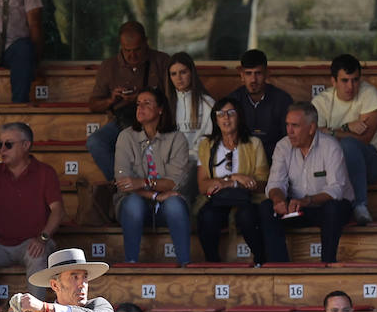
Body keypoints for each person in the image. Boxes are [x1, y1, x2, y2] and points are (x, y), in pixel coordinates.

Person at [0, 122, 64, 306]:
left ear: (26, 145)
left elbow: (57, 211)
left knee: (37, 256)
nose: (2, 149)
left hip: (33, 241)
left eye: (8, 144)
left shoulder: (45, 172)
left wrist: (42, 238)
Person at [259, 102, 354, 263]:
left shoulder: (330, 146)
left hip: (325, 207)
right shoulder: (283, 146)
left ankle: (327, 264)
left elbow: (336, 190)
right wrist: (279, 200)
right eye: (287, 125)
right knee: (266, 207)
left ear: (311, 128)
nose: (289, 131)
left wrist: (307, 200)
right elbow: (275, 183)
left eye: (295, 126)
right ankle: (280, 266)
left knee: (333, 209)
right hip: (296, 208)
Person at [113, 88, 192, 266]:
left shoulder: (177, 139)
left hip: (166, 205)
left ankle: (186, 266)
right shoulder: (126, 137)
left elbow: (173, 183)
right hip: (133, 204)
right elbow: (123, 184)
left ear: (160, 109)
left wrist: (143, 183)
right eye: (138, 104)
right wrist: (156, 194)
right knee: (133, 203)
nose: (140, 108)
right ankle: (131, 263)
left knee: (175, 204)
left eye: (147, 103)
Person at [85, 22, 173, 181]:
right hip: (122, 122)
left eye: (137, 49)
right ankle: (122, 186)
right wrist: (111, 100)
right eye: (127, 50)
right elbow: (93, 104)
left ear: (146, 42)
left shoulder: (161, 61)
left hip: (155, 121)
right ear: (121, 45)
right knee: (95, 142)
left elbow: (173, 98)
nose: (132, 55)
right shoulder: (109, 66)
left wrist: (142, 99)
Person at [312, 53, 377, 225]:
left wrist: (333, 132)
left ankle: (359, 205)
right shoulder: (321, 101)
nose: (350, 86)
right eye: (345, 80)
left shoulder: (369, 94)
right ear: (333, 81)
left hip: (370, 164)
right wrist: (346, 127)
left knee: (349, 144)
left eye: (355, 80)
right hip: (333, 166)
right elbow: (314, 137)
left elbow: (364, 139)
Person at [195, 95, 268, 263]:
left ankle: (260, 260)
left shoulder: (254, 143)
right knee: (207, 217)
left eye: (231, 113)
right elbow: (202, 185)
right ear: (215, 119)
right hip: (218, 200)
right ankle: (213, 262)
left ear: (240, 116)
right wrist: (233, 179)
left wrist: (232, 181)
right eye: (220, 114)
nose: (225, 118)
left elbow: (262, 183)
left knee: (247, 216)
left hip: (247, 199)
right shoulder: (207, 145)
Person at [165, 51, 215, 198]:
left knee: (179, 185)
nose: (178, 78)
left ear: (191, 73)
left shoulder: (208, 104)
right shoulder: (165, 104)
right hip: (168, 162)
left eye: (183, 72)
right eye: (173, 74)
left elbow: (209, 141)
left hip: (195, 162)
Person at [237, 48, 293, 160]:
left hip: (276, 161)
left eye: (258, 73)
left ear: (267, 74)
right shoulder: (233, 101)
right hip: (241, 161)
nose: (253, 79)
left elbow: (290, 139)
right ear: (241, 75)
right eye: (248, 74)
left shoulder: (283, 100)